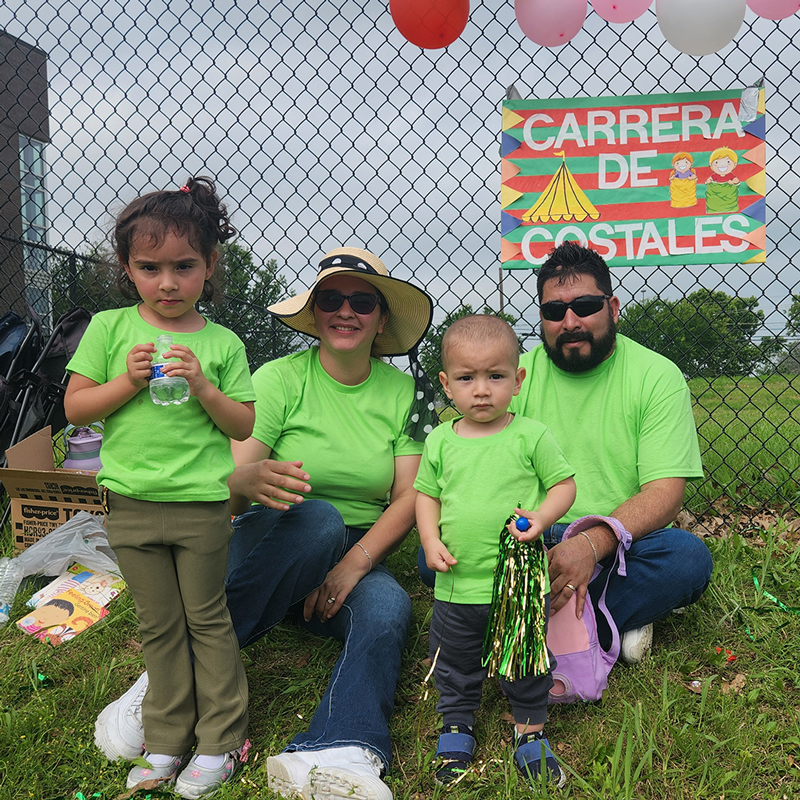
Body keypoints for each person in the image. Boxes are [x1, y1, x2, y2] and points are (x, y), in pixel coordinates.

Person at [93, 247, 436, 800]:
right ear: (315, 313)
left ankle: (339, 750)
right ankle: (166, 687)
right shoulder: (279, 379)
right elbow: (222, 485)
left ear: (381, 319)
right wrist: (247, 481)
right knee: (317, 518)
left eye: (362, 301)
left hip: (351, 554)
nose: (345, 311)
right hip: (271, 535)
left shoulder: (406, 393)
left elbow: (407, 498)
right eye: (331, 299)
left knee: (388, 606)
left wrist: (354, 564)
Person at [65, 176, 256, 799]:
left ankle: (221, 741)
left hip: (201, 506)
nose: (167, 283)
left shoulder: (222, 343)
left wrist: (204, 386)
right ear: (127, 268)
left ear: (209, 266)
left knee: (206, 618)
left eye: (184, 266)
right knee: (157, 623)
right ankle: (168, 737)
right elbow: (75, 408)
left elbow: (243, 423)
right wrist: (125, 382)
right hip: (130, 504)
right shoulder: (110, 329)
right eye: (149, 268)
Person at [512, 240, 713, 663]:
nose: (569, 321)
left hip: (621, 541)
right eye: (553, 311)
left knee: (686, 558)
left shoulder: (657, 375)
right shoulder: (516, 377)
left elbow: (665, 493)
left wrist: (590, 544)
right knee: (433, 555)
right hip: (533, 534)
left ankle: (534, 625)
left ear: (613, 308)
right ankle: (604, 619)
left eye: (584, 305)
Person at [415, 315, 576, 787]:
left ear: (518, 380)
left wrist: (543, 519)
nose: (481, 390)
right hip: (456, 584)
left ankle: (530, 731)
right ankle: (457, 724)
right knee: (454, 660)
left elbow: (563, 485)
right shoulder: (441, 441)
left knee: (524, 658)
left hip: (518, 585)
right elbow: (426, 495)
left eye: (496, 376)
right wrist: (429, 540)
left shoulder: (530, 435)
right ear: (446, 384)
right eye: (467, 378)